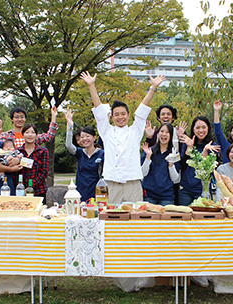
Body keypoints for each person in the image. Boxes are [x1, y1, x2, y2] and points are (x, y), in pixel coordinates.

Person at [80, 71, 166, 204]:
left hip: (132, 183)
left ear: (128, 115)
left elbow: (142, 110)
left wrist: (153, 88)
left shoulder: (135, 131)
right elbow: (99, 112)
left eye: (123, 114)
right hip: (112, 182)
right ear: (112, 116)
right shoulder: (106, 131)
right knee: (111, 218)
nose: (120, 117)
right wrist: (91, 85)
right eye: (116, 115)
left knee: (134, 219)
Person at [178, 116, 221, 205]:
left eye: (204, 127)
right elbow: (182, 165)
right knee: (185, 217)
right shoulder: (188, 143)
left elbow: (207, 168)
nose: (201, 130)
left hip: (203, 190)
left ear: (208, 128)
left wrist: (205, 150)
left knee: (202, 217)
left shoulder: (212, 145)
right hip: (185, 190)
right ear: (193, 130)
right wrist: (189, 147)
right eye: (197, 128)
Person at [65, 108, 104, 201]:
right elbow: (69, 145)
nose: (84, 139)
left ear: (94, 138)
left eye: (87, 136)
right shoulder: (80, 153)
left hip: (97, 194)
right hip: (80, 193)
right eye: (82, 137)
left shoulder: (101, 154)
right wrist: (70, 126)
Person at [141, 123, 181, 206]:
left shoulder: (174, 154)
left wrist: (171, 165)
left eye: (167, 132)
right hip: (149, 195)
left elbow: (176, 179)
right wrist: (148, 157)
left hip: (167, 197)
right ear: (158, 134)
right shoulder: (149, 151)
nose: (164, 134)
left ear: (171, 135)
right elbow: (142, 173)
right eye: (162, 131)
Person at [15, 123, 49, 199]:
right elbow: (16, 172)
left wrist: (30, 186)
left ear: (36, 135)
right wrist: (21, 188)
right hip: (21, 191)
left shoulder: (43, 151)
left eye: (32, 132)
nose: (30, 135)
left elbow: (44, 172)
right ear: (23, 135)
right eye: (27, 132)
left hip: (39, 191)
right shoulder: (18, 151)